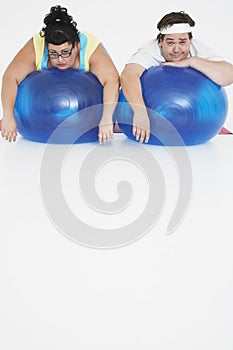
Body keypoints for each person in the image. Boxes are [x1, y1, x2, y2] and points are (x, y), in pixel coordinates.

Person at [1, 5, 119, 143]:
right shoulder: (36, 46)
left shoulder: (91, 48)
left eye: (65, 52)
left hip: (88, 116)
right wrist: (8, 115)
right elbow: (10, 77)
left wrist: (106, 119)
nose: (60, 59)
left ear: (76, 46)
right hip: (41, 115)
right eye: (53, 54)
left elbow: (112, 81)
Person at [120, 11, 233, 143]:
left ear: (190, 41)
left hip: (196, 117)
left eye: (182, 42)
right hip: (153, 117)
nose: (176, 50)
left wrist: (192, 61)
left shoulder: (198, 49)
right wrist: (139, 112)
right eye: (170, 43)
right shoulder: (149, 51)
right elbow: (128, 75)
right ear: (160, 41)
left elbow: (229, 75)